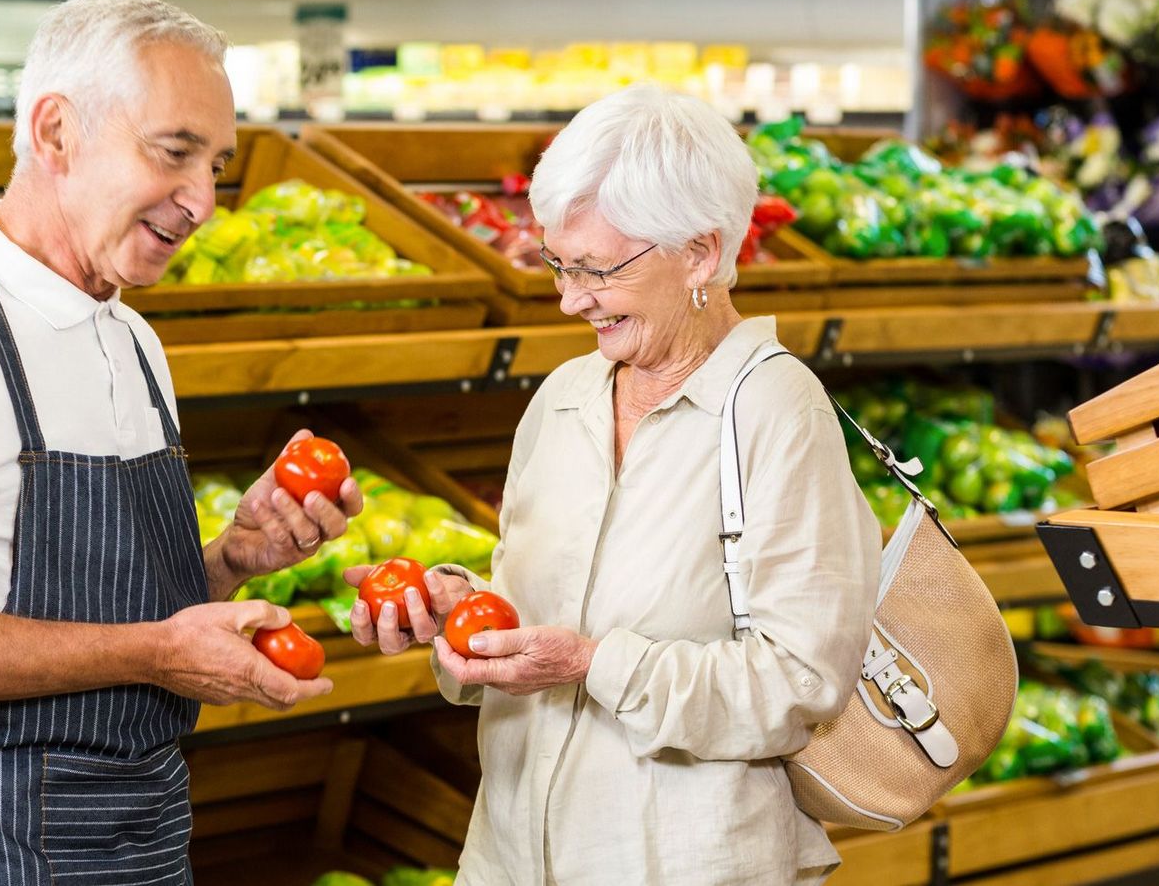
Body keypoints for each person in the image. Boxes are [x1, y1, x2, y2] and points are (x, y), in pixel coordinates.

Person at [0, 0, 356, 885]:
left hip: (137, 826)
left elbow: (108, 603)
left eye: (217, 166)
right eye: (174, 153)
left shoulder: (130, 333)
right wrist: (155, 652)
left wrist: (225, 560)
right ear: (57, 132)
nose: (203, 202)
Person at [349, 85, 882, 885]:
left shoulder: (776, 409)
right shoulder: (563, 397)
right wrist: (458, 615)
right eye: (560, 264)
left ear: (701, 252)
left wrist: (591, 663)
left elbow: (800, 683)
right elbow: (532, 606)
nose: (569, 298)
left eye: (598, 268)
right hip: (507, 857)